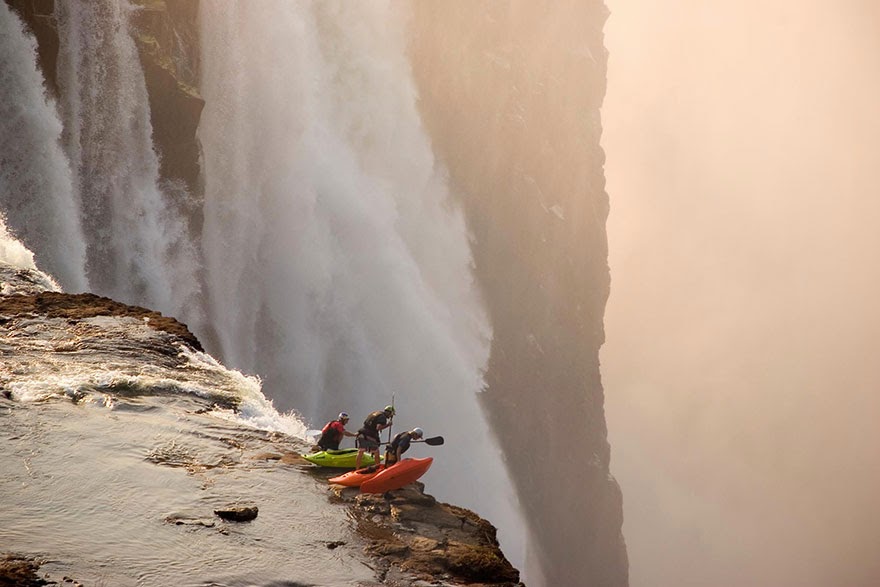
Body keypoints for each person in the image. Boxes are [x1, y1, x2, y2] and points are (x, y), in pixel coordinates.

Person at [355, 405, 395, 469]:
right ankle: (378, 469)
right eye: (391, 415)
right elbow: (378, 427)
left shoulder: (375, 413)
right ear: (389, 412)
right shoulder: (383, 417)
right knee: (376, 452)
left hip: (361, 434)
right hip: (369, 436)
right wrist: (388, 425)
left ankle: (357, 469)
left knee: (361, 452)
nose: (390, 416)